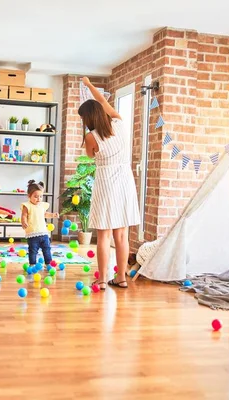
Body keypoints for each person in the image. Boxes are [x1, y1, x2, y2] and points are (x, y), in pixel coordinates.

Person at [78, 77, 140, 290]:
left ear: (89, 119)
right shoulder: (119, 124)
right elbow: (103, 103)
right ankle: (121, 278)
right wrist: (89, 86)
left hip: (106, 182)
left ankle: (102, 279)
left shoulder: (91, 137)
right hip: (125, 180)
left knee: (103, 235)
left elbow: (89, 156)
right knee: (121, 235)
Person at [21, 180, 59, 267]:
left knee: (47, 248)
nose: (39, 199)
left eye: (41, 196)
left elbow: (45, 214)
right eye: (36, 196)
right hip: (32, 233)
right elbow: (24, 215)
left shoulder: (42, 205)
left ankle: (48, 263)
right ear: (29, 196)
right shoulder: (27, 206)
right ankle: (32, 264)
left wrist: (53, 215)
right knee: (33, 250)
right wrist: (24, 221)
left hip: (43, 232)